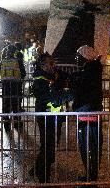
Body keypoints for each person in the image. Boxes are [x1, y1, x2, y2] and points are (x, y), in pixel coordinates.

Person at [30, 52, 73, 183]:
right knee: (47, 146)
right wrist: (70, 94)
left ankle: (37, 169)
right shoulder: (40, 81)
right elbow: (53, 99)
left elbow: (68, 76)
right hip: (46, 117)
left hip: (55, 117)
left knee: (51, 145)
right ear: (43, 65)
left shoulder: (51, 75)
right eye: (50, 63)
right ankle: (43, 177)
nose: (53, 65)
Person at [71, 45, 103, 184]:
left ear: (85, 58)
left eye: (78, 57)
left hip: (86, 112)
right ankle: (91, 175)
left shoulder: (88, 73)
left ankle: (91, 177)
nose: (76, 59)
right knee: (93, 146)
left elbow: (81, 90)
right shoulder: (93, 71)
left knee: (87, 145)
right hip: (92, 111)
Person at [0, 44, 26, 132]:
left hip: (6, 86)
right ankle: (17, 124)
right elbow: (23, 73)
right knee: (16, 105)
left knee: (6, 106)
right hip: (16, 86)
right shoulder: (18, 61)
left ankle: (6, 125)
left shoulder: (3, 61)